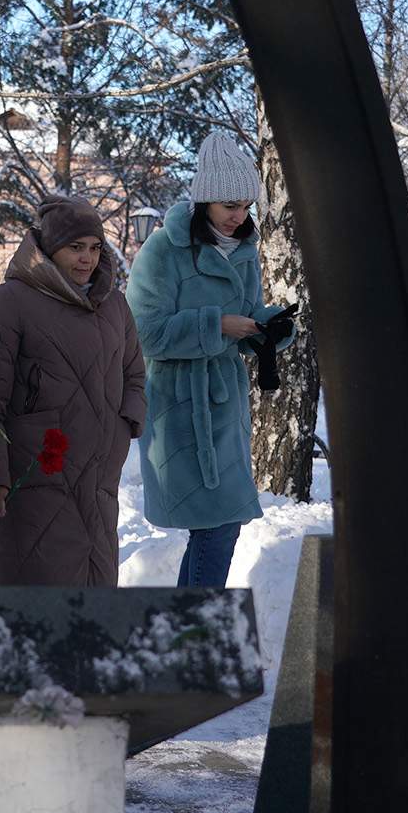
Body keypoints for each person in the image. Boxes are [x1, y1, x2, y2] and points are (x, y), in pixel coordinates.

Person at [126, 133, 297, 589]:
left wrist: (270, 328)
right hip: (180, 408)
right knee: (215, 526)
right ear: (204, 201)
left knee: (220, 525)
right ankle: (194, 631)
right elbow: (143, 332)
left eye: (245, 206)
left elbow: (247, 321)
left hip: (225, 404)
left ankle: (187, 631)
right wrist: (217, 325)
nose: (238, 217)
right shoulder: (162, 250)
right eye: (229, 206)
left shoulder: (244, 252)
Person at [0, 195, 144, 585]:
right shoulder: (11, 300)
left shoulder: (114, 304)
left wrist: (123, 426)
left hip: (99, 483)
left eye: (95, 248)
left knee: (93, 609)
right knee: (31, 611)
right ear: (49, 250)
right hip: (33, 482)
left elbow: (134, 371)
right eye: (75, 248)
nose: (87, 259)